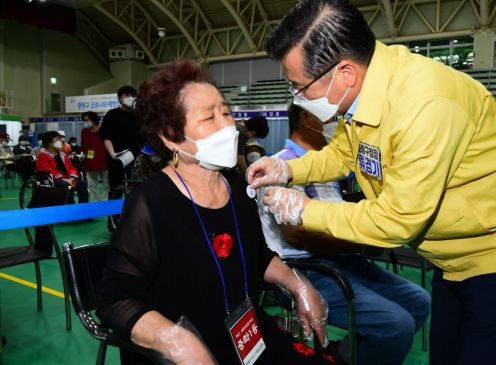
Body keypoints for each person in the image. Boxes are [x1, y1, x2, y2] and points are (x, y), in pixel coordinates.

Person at [247, 1, 496, 364]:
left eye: (300, 87)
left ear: (344, 73)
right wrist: (290, 171)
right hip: (454, 257)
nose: (297, 97)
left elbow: (395, 220)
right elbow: (345, 154)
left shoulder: (424, 105)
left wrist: (305, 210)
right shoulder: (363, 92)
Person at [96, 60, 332, 365]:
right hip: (185, 347)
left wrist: (298, 283)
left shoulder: (235, 185)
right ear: (171, 137)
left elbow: (257, 256)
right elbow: (115, 300)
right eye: (209, 117)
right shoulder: (150, 202)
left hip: (247, 336)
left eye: (226, 112)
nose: (227, 126)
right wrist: (176, 341)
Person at [258, 103, 431, 364]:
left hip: (341, 260)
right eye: (329, 118)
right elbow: (297, 235)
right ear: (306, 118)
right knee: (396, 325)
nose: (336, 124)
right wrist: (359, 243)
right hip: (305, 267)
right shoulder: (282, 165)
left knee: (419, 301)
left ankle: (343, 355)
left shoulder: (327, 164)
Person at [99, 85, 144, 198]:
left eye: (133, 95)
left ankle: (135, 214)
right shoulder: (111, 115)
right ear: (119, 98)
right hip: (116, 158)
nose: (130, 98)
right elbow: (106, 137)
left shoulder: (140, 115)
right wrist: (113, 154)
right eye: (127, 95)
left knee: (137, 188)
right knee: (116, 188)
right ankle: (114, 215)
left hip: (137, 158)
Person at [36, 131, 89, 204]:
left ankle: (84, 208)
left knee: (83, 183)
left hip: (68, 179)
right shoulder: (43, 155)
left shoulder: (62, 154)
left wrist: (72, 177)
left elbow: (71, 168)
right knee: (67, 186)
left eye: (60, 139)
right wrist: (63, 179)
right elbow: (47, 170)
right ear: (49, 143)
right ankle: (70, 209)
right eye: (57, 139)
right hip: (53, 180)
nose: (60, 141)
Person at [81, 111, 109, 202]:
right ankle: (94, 202)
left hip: (104, 160)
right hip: (90, 161)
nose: (85, 122)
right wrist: (83, 154)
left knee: (107, 183)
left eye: (87, 120)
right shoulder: (84, 131)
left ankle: (105, 201)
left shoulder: (104, 130)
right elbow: (84, 146)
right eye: (84, 120)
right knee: (92, 184)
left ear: (93, 120)